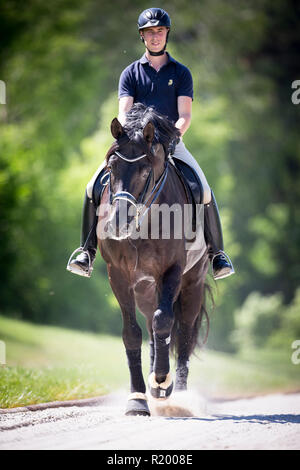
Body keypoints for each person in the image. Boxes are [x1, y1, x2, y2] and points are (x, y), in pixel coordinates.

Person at [67, 7, 234, 280]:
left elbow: (185, 116)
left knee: (202, 188)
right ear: (142, 36)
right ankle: (87, 252)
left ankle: (217, 255)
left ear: (166, 34)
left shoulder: (181, 73)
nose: (155, 37)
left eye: (159, 31)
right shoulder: (130, 73)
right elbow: (123, 112)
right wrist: (128, 137)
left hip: (170, 143)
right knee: (91, 186)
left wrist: (171, 139)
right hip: (134, 144)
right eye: (149, 32)